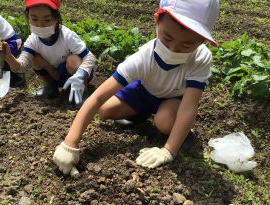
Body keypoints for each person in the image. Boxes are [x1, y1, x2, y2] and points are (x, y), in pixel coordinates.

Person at [53, 0, 220, 176]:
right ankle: (141, 113)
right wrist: (70, 143)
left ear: (202, 41)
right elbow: (97, 98)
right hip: (145, 90)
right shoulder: (143, 57)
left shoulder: (201, 58)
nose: (173, 49)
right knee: (105, 110)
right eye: (167, 38)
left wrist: (169, 150)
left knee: (164, 122)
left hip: (174, 98)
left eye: (186, 45)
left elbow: (189, 106)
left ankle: (180, 133)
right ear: (157, 20)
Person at [0, 0, 96, 107]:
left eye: (47, 20)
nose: (40, 25)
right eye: (34, 19)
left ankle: (82, 91)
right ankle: (51, 88)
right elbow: (21, 67)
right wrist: (9, 57)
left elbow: (90, 57)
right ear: (27, 17)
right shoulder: (32, 41)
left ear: (56, 18)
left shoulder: (67, 36)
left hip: (76, 75)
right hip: (55, 75)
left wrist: (81, 74)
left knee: (72, 59)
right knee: (36, 58)